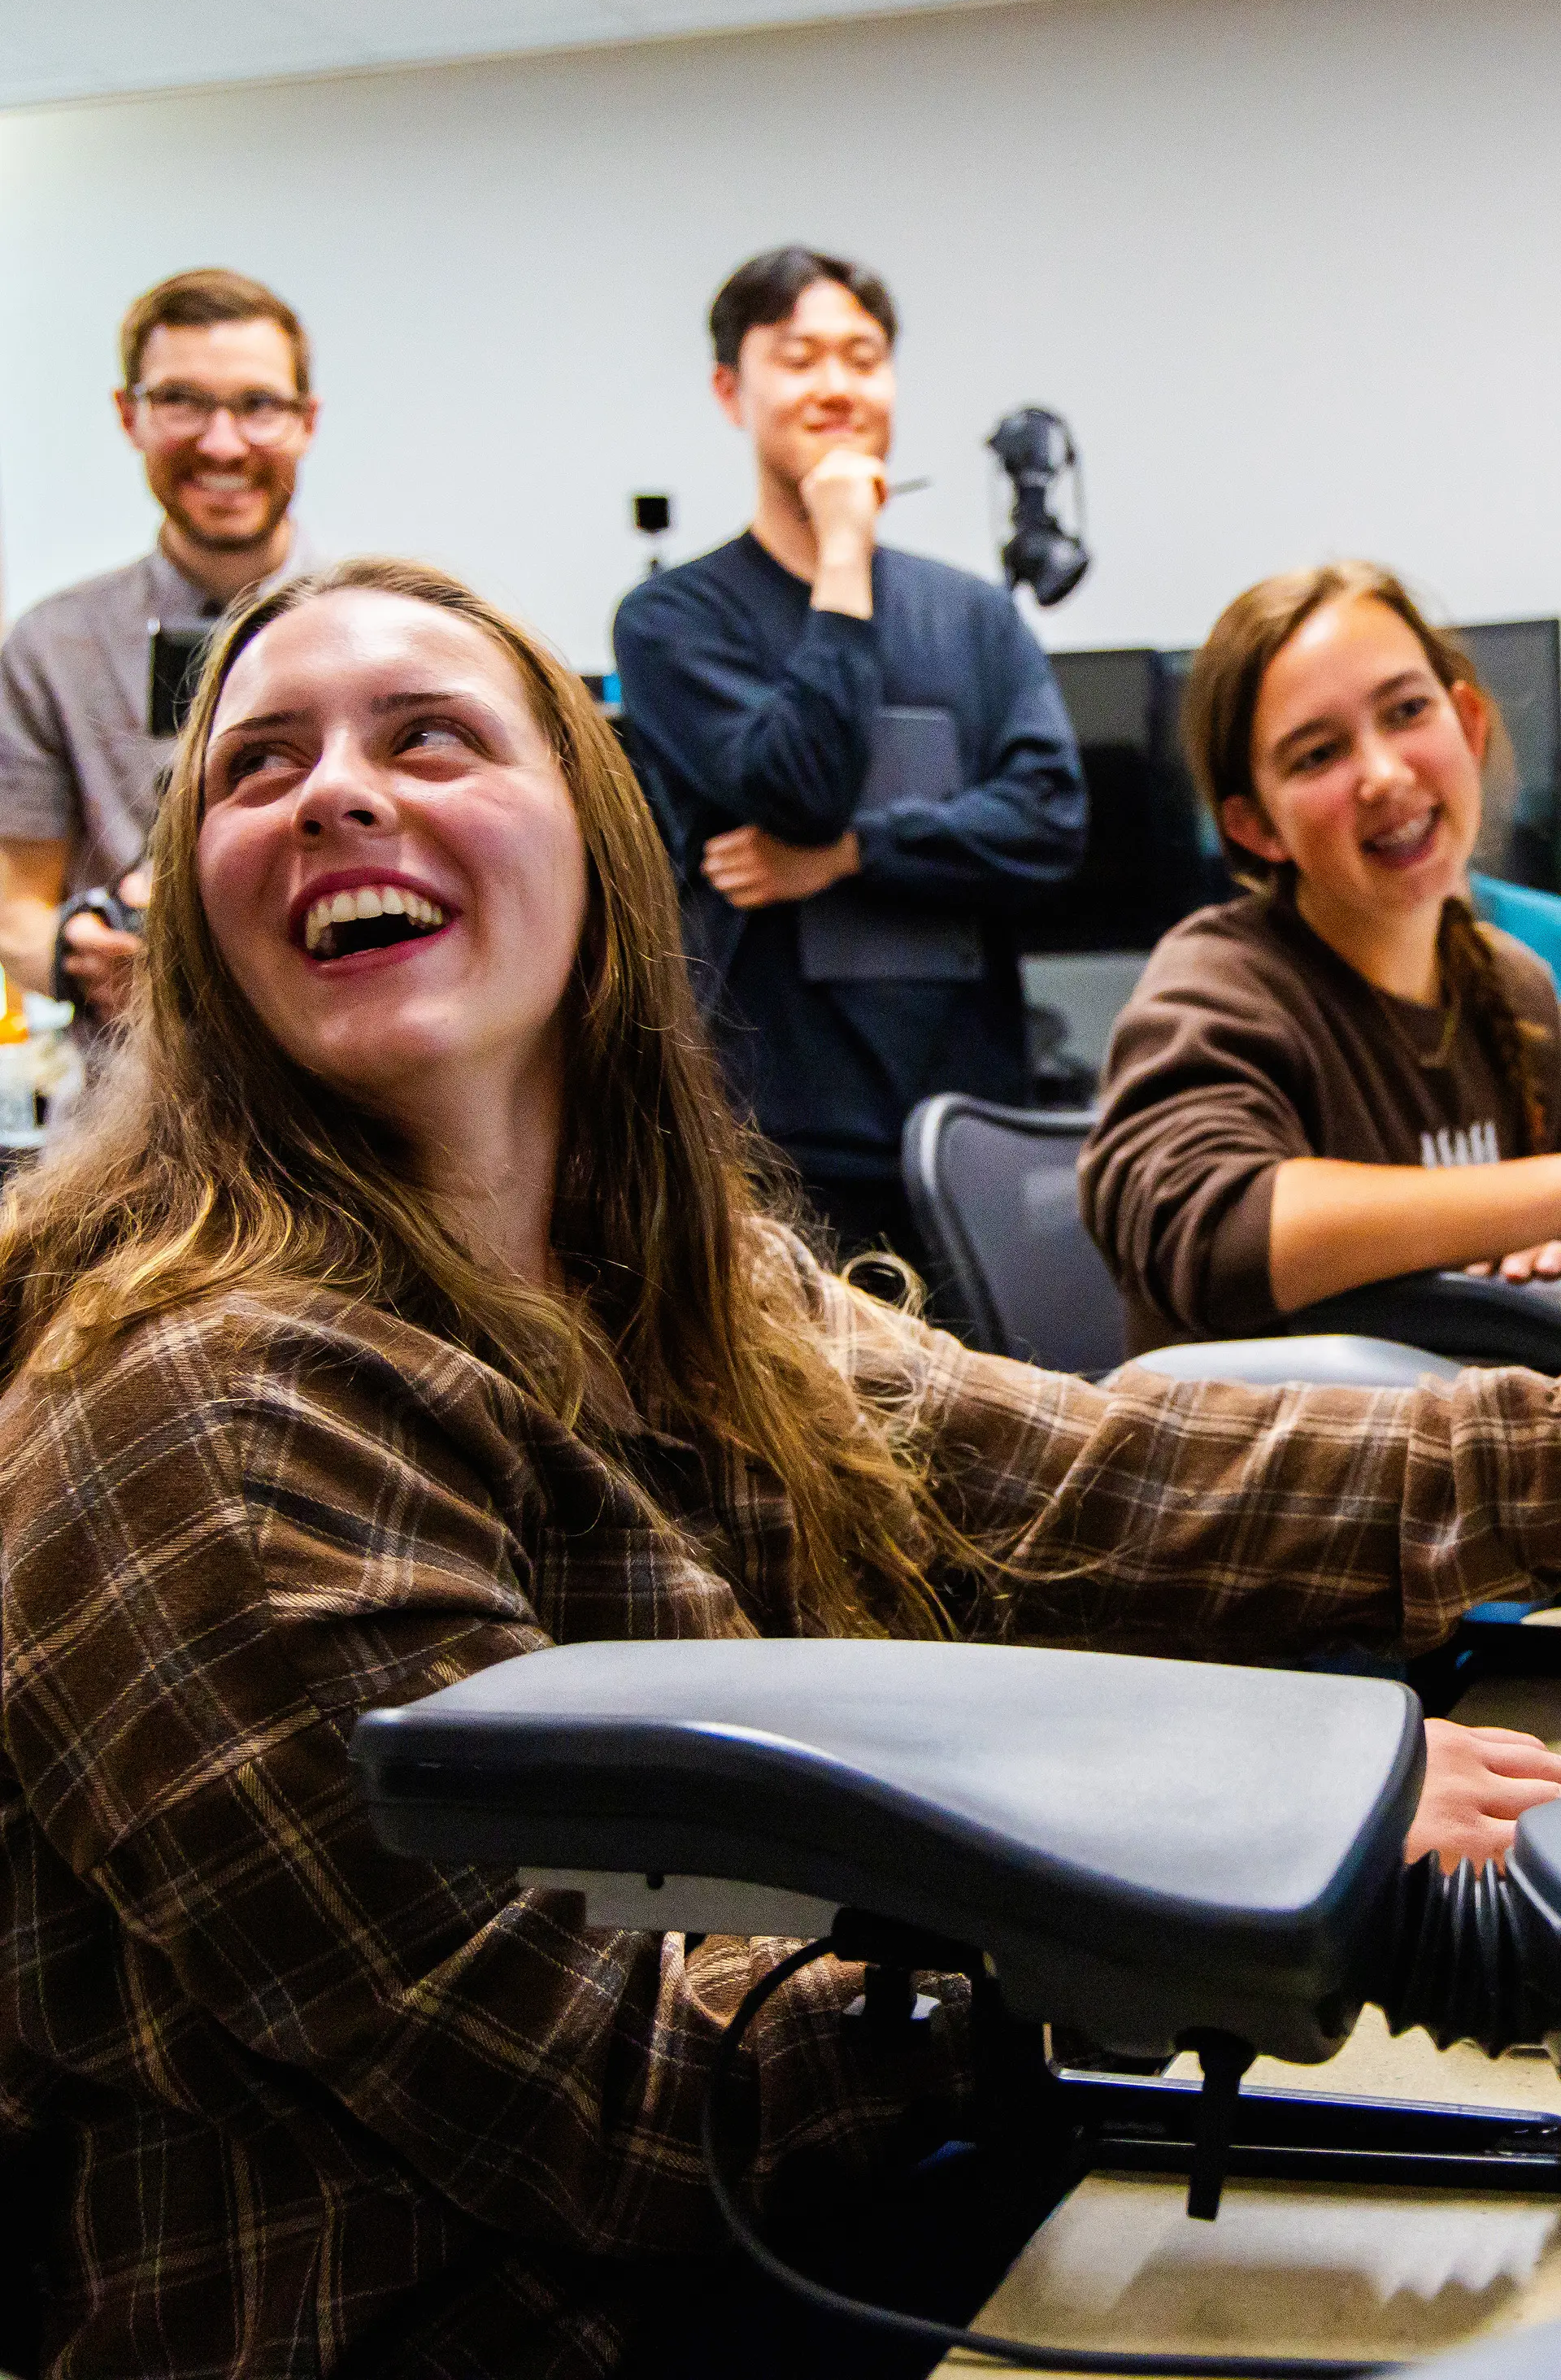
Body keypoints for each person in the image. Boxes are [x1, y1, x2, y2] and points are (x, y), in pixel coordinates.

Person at [2, 557, 1560, 2380]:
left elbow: (1082, 1482)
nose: (339, 789)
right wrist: (1256, 1863)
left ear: (595, 846)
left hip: (825, 2223)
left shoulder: (663, 1277)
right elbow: (610, 2092)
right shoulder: (205, 1417)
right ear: (196, 917)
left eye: (429, 736)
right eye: (255, 769)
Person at [612, 246, 1086, 1272]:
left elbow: (1050, 822)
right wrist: (840, 558)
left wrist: (848, 856)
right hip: (778, 1141)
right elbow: (796, 783)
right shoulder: (672, 623)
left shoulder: (976, 617)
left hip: (971, 1127)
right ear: (731, 390)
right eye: (800, 358)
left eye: (863, 358)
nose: (837, 385)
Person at [1080, 563, 1561, 1355]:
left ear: (1468, 727)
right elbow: (1211, 1231)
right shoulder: (1219, 984)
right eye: (1316, 755)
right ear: (1254, 827)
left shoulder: (1517, 990)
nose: (1383, 774)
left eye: (1408, 710)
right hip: (1275, 1470)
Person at [0, 266, 321, 1025]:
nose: (222, 443)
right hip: (129, 1106)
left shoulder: (386, 631)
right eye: (181, 401)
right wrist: (77, 957)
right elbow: (16, 911)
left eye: (259, 405)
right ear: (128, 415)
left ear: (306, 421)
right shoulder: (55, 647)